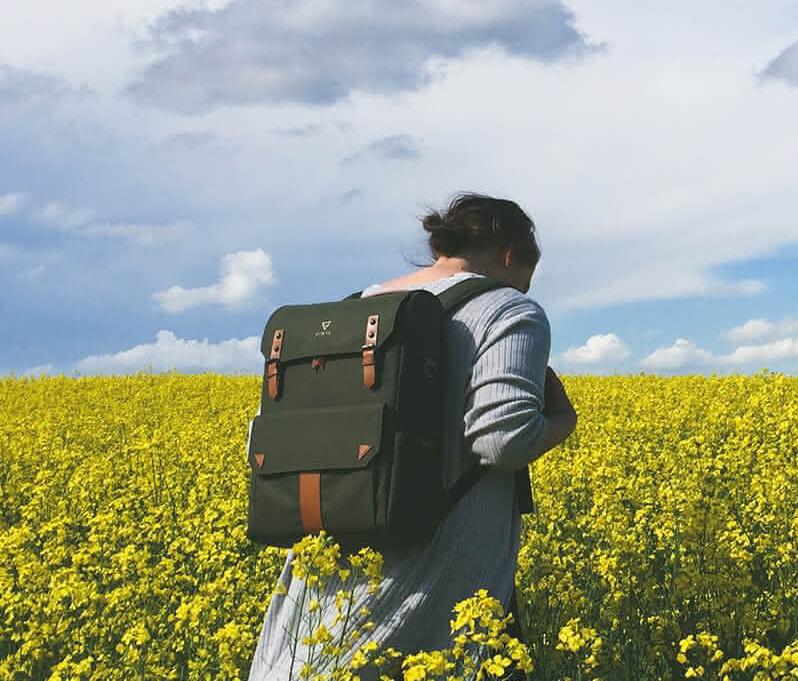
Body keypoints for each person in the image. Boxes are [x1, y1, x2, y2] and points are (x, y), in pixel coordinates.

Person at [247, 192, 579, 680]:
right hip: (434, 552)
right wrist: (559, 425)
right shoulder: (508, 309)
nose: (524, 289)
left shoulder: (354, 310)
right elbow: (501, 439)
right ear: (511, 255)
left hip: (330, 548)